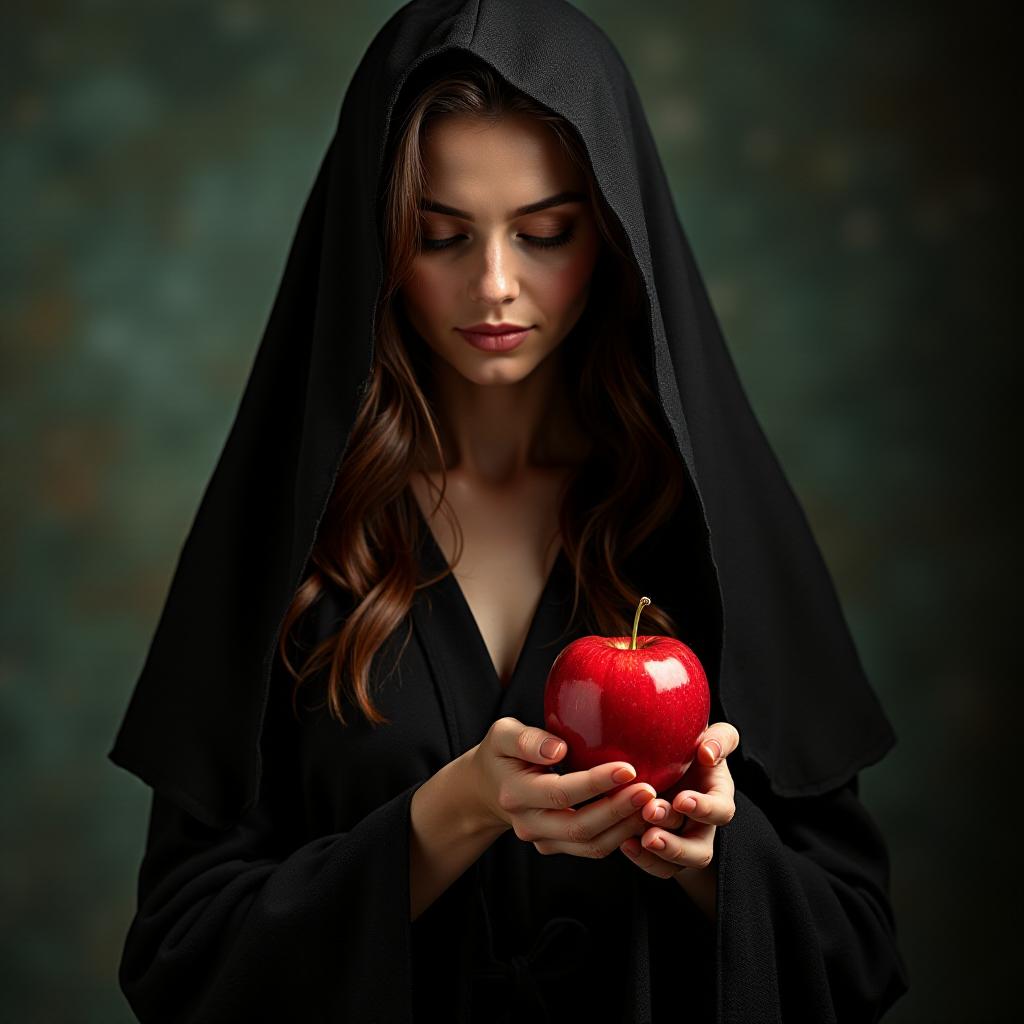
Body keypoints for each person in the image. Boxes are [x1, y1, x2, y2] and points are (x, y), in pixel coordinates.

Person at [107, 2, 910, 1021]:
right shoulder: (296, 542)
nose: (494, 285)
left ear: (611, 236)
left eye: (544, 234)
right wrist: (448, 816)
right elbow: (182, 959)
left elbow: (856, 953)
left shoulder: (702, 534)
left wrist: (710, 857)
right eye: (439, 236)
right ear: (378, 248)